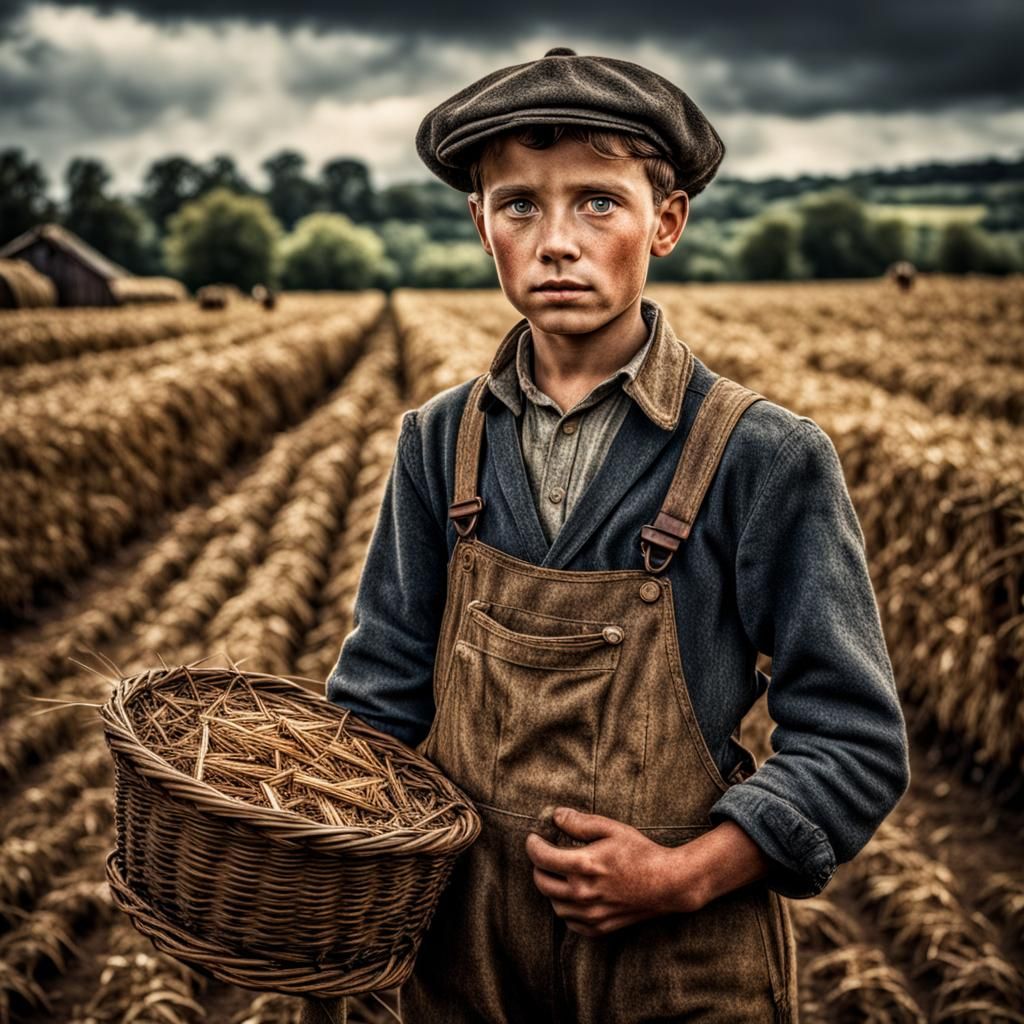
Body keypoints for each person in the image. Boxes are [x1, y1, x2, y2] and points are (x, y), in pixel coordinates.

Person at [326, 46, 911, 1023]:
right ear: (480, 225)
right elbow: (378, 695)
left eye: (598, 202)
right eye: (518, 205)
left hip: (678, 962)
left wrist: (681, 875)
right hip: (464, 958)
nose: (557, 241)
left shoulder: (764, 457)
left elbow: (852, 739)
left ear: (666, 221)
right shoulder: (438, 443)